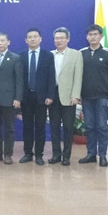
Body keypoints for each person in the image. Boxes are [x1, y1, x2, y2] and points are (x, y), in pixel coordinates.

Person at [79, 25, 108, 167]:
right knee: (89, 127)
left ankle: (103, 155)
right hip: (86, 97)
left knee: (101, 126)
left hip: (103, 97)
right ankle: (91, 154)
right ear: (86, 37)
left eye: (95, 34)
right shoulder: (81, 53)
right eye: (90, 34)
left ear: (101, 36)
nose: (93, 37)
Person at [19, 28, 56, 166]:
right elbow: (19, 79)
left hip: (42, 97)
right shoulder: (20, 56)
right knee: (27, 127)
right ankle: (28, 153)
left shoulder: (48, 56)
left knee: (40, 127)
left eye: (35, 36)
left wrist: (50, 95)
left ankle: (39, 155)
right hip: (26, 96)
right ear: (26, 40)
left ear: (40, 39)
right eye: (30, 37)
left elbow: (51, 77)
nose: (32, 39)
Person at [0, 32, 23, 165]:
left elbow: (19, 80)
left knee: (9, 128)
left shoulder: (15, 58)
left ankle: (8, 154)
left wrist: (18, 98)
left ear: (8, 42)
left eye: (2, 41)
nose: (0, 43)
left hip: (9, 99)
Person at [49, 27, 83, 166]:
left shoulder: (76, 55)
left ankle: (66, 156)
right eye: (56, 38)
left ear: (68, 39)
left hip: (69, 96)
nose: (59, 40)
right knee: (54, 127)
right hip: (53, 96)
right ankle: (56, 154)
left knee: (68, 128)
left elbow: (78, 76)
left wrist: (76, 95)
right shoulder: (49, 55)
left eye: (62, 38)